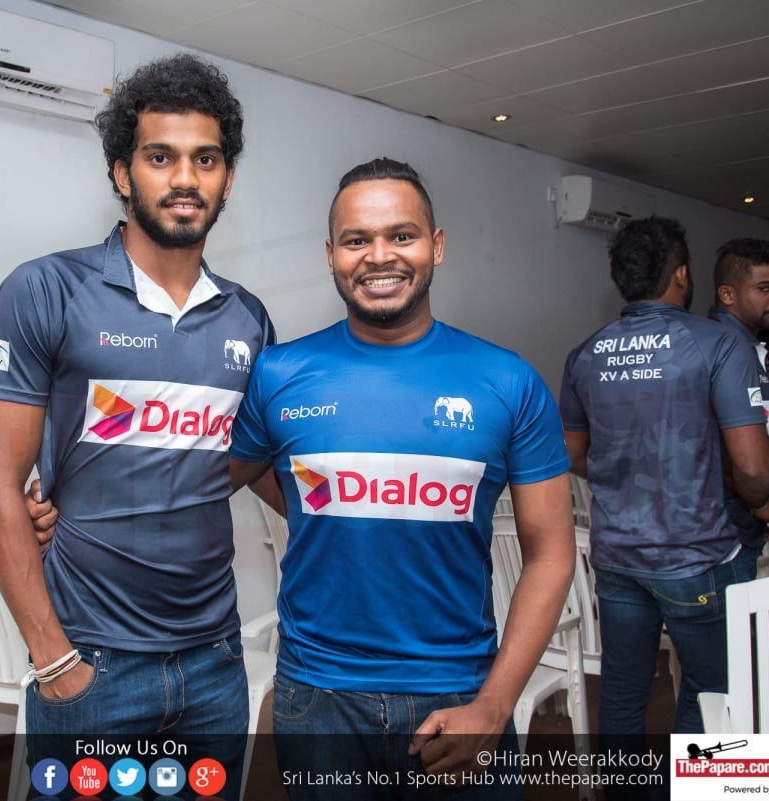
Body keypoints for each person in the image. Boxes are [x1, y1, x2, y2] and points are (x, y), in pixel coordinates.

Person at [0, 52, 275, 800]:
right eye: (160, 157)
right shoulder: (46, 288)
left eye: (206, 159)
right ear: (121, 171)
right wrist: (54, 660)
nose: (185, 178)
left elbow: (250, 465)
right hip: (91, 665)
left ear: (227, 178)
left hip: (213, 665)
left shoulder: (249, 318)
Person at [228, 158, 576, 800]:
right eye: (357, 240)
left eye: (402, 235)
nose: (379, 255)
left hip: (460, 694)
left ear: (436, 246)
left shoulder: (508, 381)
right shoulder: (279, 373)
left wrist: (495, 705)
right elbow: (221, 473)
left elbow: (552, 552)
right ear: (331, 255)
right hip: (319, 698)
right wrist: (66, 501)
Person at [560, 217, 769, 743]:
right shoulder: (718, 344)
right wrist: (766, 501)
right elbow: (754, 470)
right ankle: (688, 782)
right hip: (696, 556)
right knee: (713, 691)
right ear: (682, 274)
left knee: (622, 691)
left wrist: (626, 471)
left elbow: (571, 453)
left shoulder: (586, 353)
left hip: (616, 558)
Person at [709, 239, 769, 543]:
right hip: (724, 522)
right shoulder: (722, 349)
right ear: (727, 295)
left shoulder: (746, 346)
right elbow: (708, 442)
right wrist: (760, 497)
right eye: (765, 288)